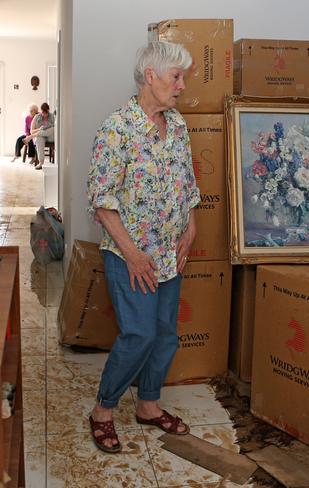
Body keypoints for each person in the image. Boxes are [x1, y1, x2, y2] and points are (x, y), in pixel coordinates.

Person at [86, 41, 199, 453]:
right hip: (131, 256)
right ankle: (103, 410)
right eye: (176, 76)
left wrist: (192, 225)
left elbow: (188, 183)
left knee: (166, 334)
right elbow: (101, 198)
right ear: (151, 76)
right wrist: (133, 254)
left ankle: (148, 405)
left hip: (170, 252)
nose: (182, 85)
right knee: (138, 335)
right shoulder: (117, 128)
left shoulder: (179, 125)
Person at [25, 102, 54, 169]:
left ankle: (30, 137)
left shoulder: (52, 116)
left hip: (50, 137)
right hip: (41, 137)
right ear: (41, 111)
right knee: (38, 138)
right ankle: (41, 162)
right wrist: (39, 129)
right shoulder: (36, 117)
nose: (45, 115)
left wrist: (44, 128)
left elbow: (54, 128)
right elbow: (31, 131)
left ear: (48, 110)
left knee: (53, 128)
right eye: (43, 112)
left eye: (46, 112)